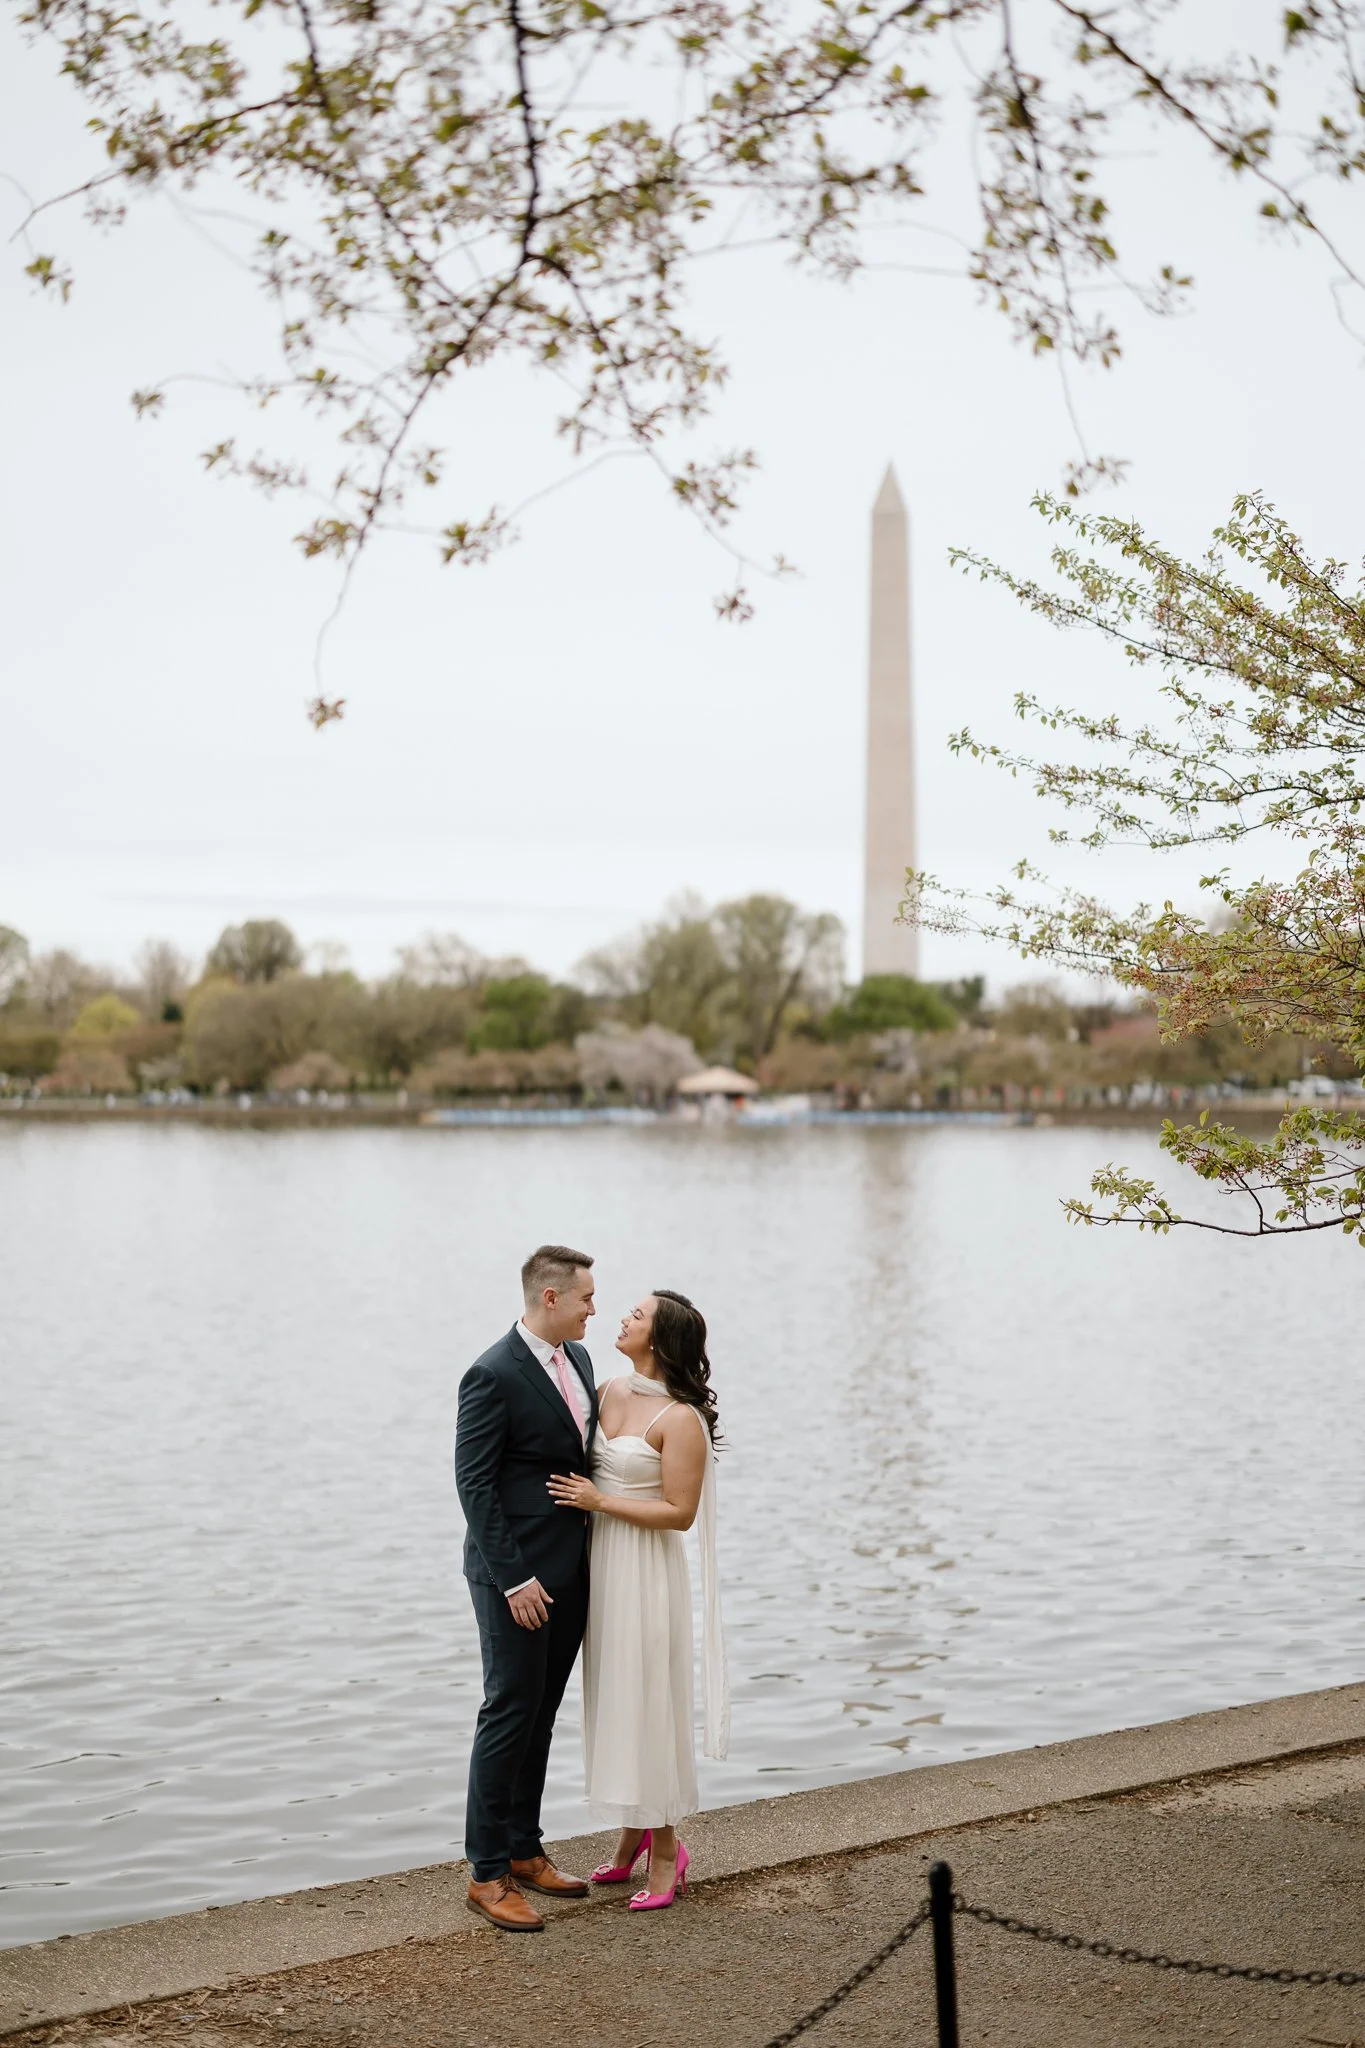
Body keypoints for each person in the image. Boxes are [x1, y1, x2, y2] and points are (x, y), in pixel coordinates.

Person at [547, 1288, 728, 1912]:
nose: (621, 1318)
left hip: (648, 1575)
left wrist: (599, 1503)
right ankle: (628, 1841)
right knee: (619, 1700)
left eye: (635, 1315)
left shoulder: (680, 1420)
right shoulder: (606, 1394)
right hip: (604, 1571)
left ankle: (666, 1851)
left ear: (660, 1338)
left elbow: (679, 1514)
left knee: (652, 1702)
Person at [454, 1244, 600, 1932]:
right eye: (585, 1298)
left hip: (570, 1569)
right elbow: (474, 1485)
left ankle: (523, 1850)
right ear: (550, 1297)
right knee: (508, 1711)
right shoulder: (490, 1373)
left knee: (540, 1714)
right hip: (513, 1577)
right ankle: (485, 1873)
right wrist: (515, 1579)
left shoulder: (579, 1360)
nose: (593, 1309)